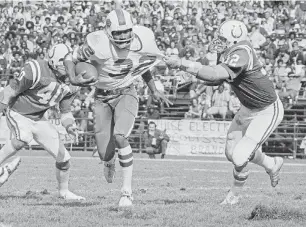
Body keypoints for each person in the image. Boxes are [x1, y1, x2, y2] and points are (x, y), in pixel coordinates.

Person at [164, 20, 284, 205]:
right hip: (248, 107)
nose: (219, 42)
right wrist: (194, 78)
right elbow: (217, 80)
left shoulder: (242, 51)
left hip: (267, 110)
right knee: (231, 152)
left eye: (222, 38)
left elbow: (214, 74)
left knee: (240, 155)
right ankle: (271, 164)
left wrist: (182, 64)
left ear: (234, 39)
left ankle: (233, 197)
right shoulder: (230, 51)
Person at [64, 8, 172, 207]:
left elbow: (143, 66)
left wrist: (154, 89)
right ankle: (109, 161)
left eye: (126, 31)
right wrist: (72, 76)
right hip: (101, 98)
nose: (123, 36)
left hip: (126, 93)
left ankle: (127, 192)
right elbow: (70, 58)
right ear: (108, 32)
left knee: (121, 136)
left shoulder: (143, 39)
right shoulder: (97, 43)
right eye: (118, 32)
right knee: (105, 153)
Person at [0, 44, 85, 200]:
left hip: (39, 118)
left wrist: (70, 126)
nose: (69, 67)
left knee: (64, 158)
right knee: (23, 137)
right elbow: (7, 92)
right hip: (18, 112)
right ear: (54, 62)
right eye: (65, 63)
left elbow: (65, 111)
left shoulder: (73, 84)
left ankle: (64, 192)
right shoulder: (36, 69)